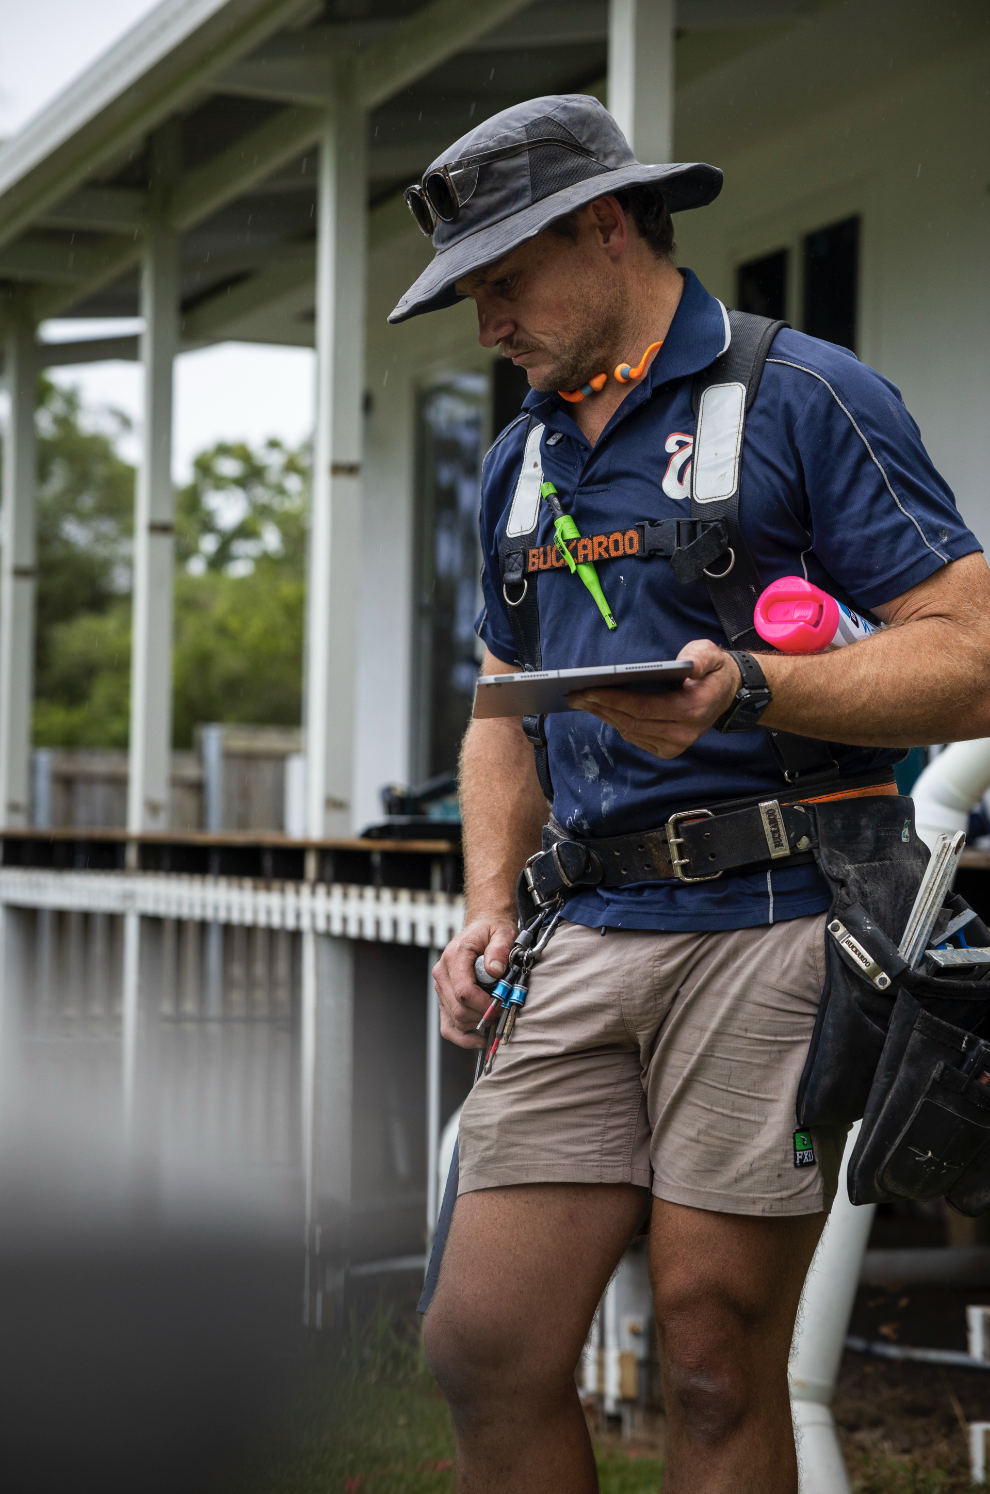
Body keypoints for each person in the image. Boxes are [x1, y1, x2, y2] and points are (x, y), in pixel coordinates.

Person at [389, 94, 990, 1494]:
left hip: (775, 920)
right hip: (581, 934)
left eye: (502, 284)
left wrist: (756, 690)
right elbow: (497, 713)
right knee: (483, 1341)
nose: (486, 326)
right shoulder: (523, 456)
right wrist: (485, 907)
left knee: (716, 1356)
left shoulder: (807, 395)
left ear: (606, 228)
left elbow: (968, 660)